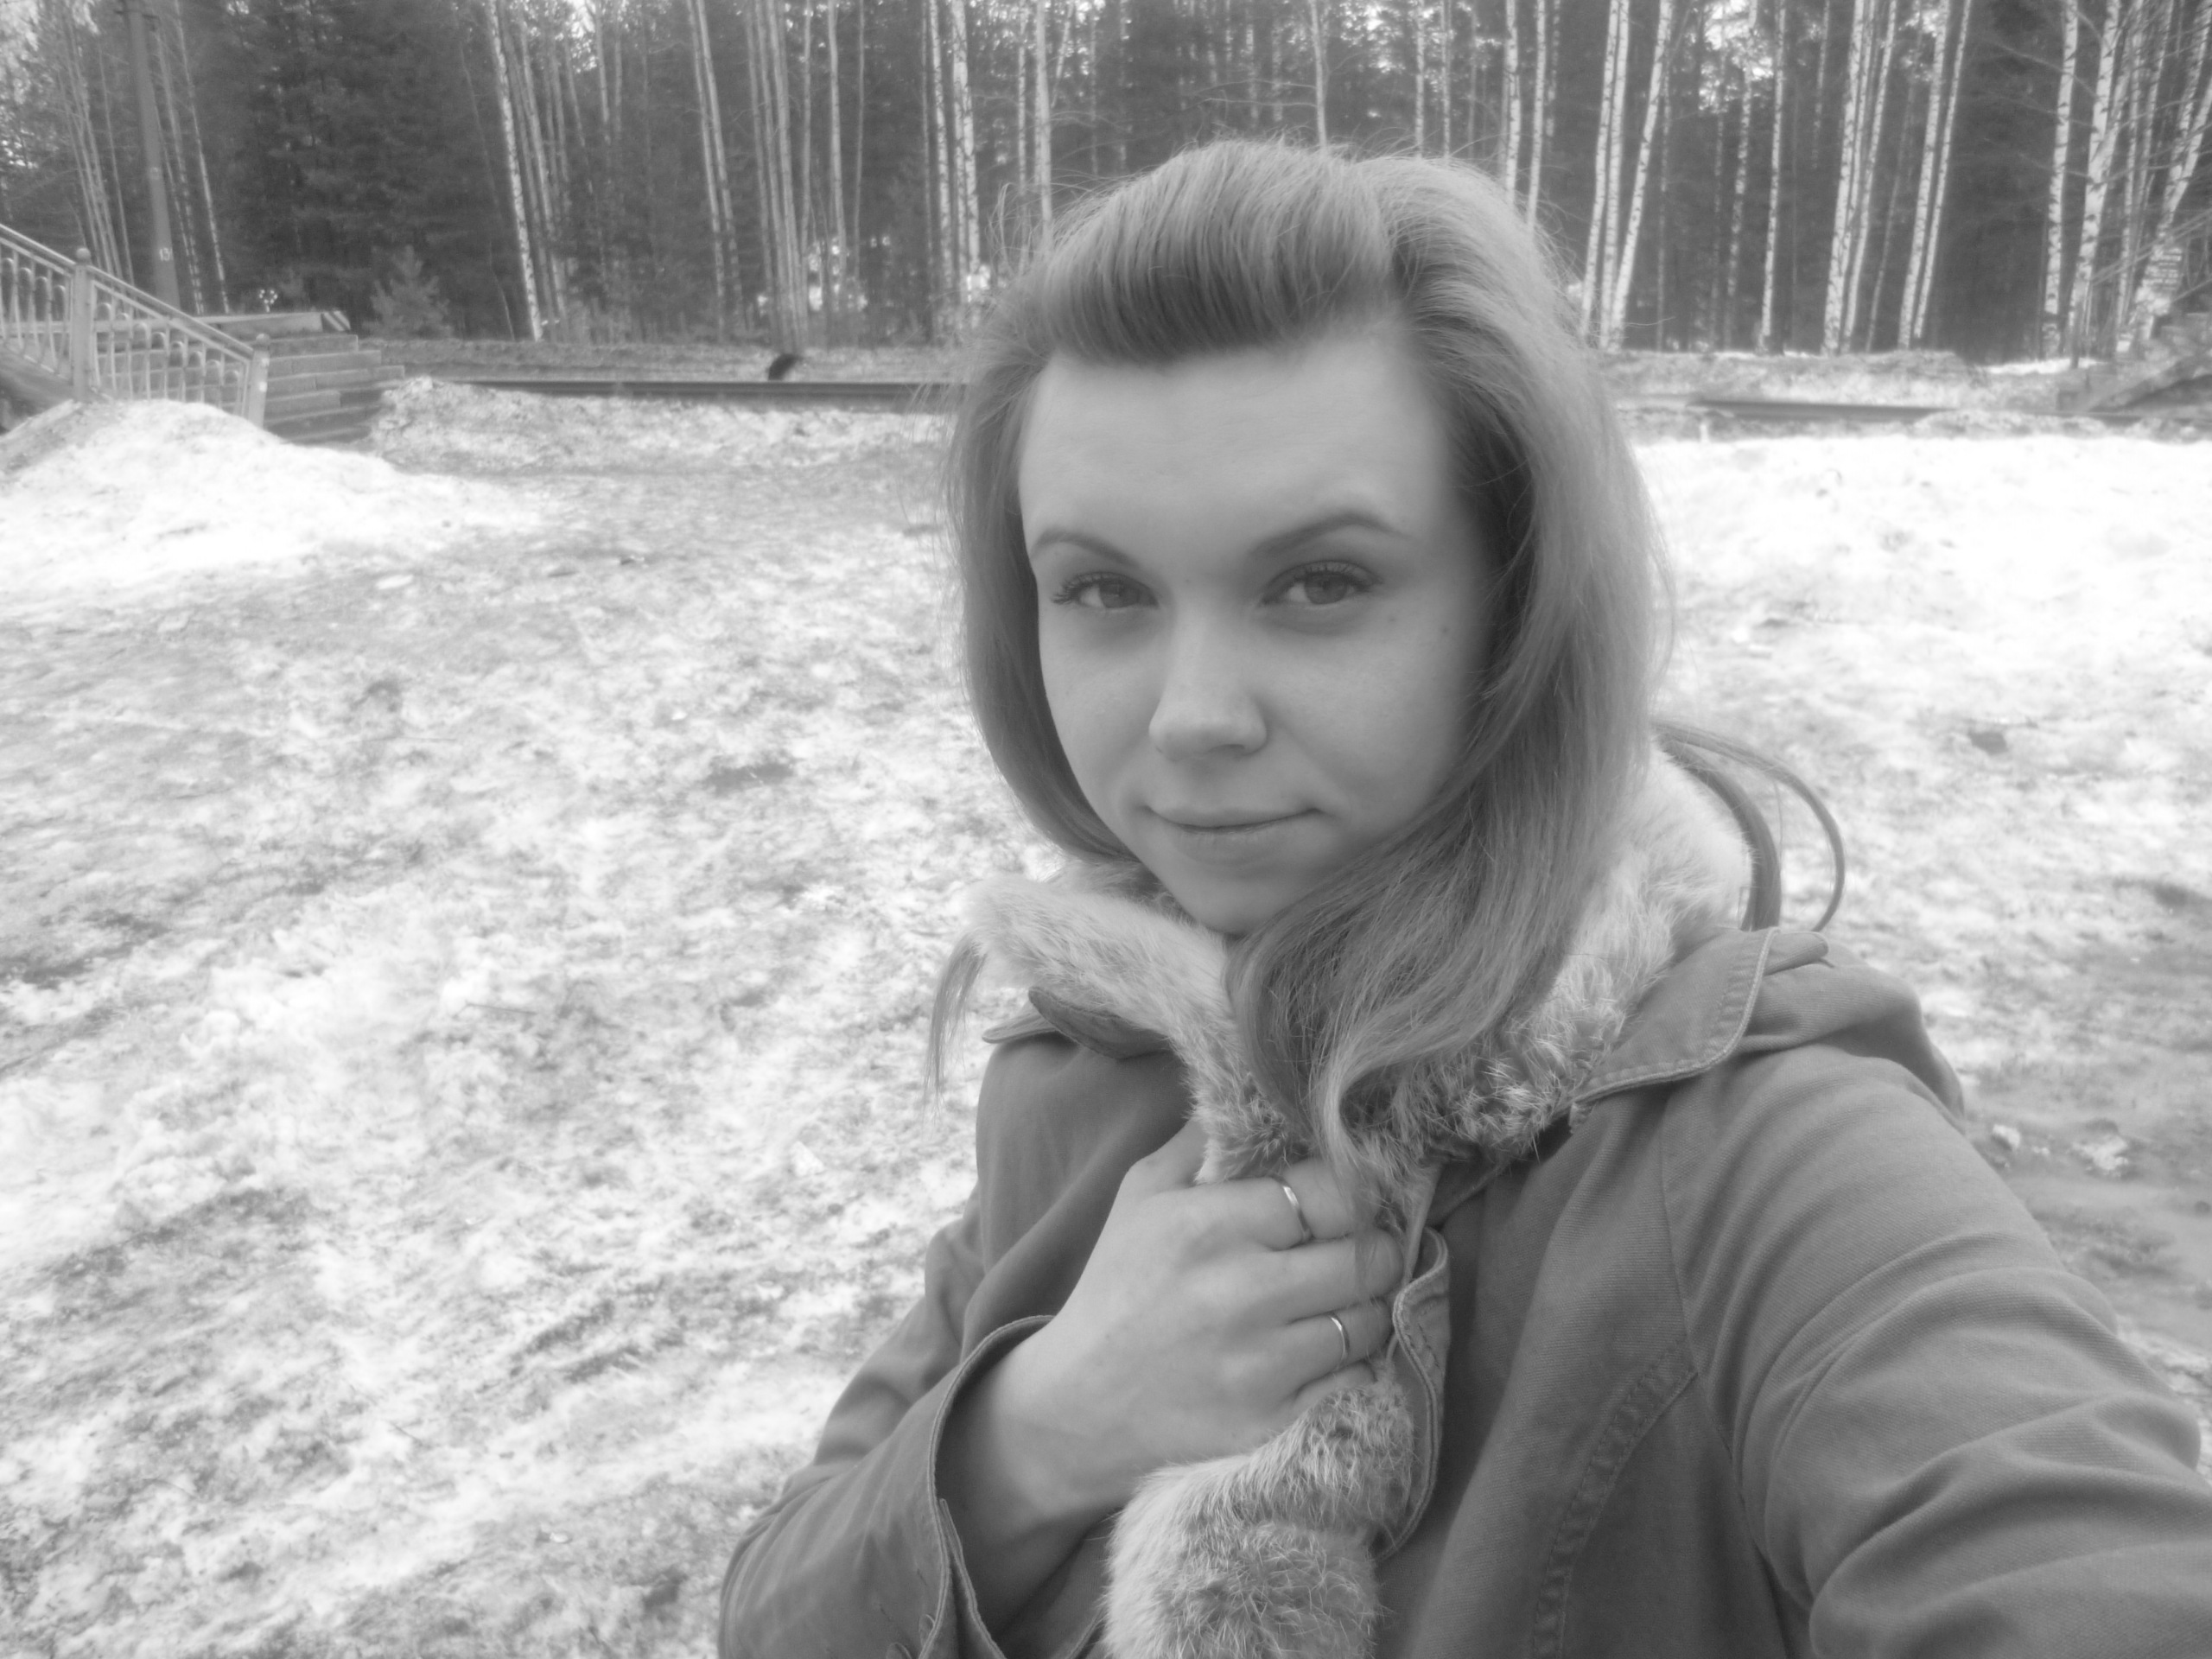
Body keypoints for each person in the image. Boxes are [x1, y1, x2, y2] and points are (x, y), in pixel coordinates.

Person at [716, 141, 2212, 1659]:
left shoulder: (1753, 1150)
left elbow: (2076, 1557)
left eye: (1321, 582)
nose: (1192, 715)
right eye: (1105, 590)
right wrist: (1033, 1435)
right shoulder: (1086, 1074)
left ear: (1515, 605)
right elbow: (778, 1612)